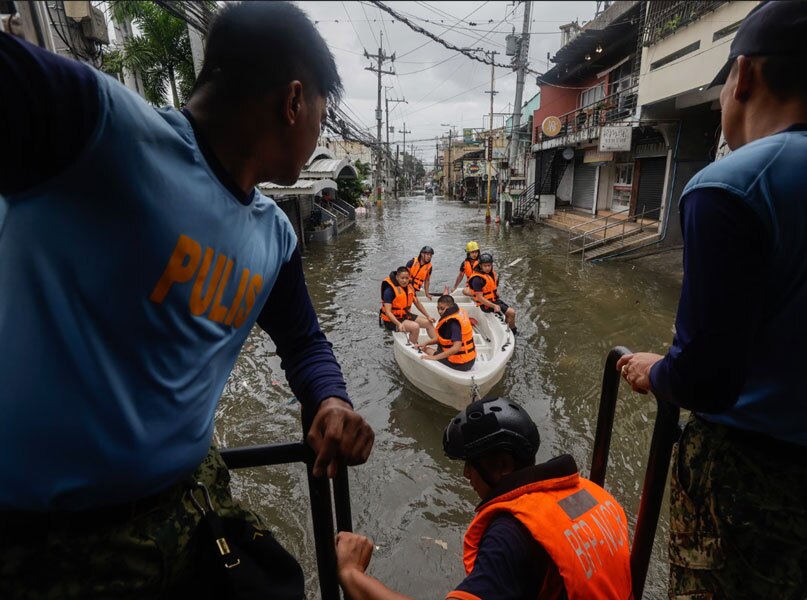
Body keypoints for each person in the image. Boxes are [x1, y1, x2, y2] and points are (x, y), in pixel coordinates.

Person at [0, 2, 374, 597]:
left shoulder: (272, 235)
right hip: (45, 543)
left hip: (190, 499)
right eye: (323, 119)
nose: (319, 137)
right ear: (294, 101)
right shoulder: (100, 128)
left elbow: (303, 341)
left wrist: (328, 399)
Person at [615, 3, 807, 598]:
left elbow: (704, 380)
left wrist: (657, 371)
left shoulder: (731, 186)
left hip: (753, 485)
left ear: (742, 77)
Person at [335, 397, 633, 599]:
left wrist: (352, 574)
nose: (466, 474)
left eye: (471, 464)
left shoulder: (513, 533)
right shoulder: (592, 493)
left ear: (503, 465)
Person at [415, 295, 477, 371]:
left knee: (425, 350)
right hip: (470, 359)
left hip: (460, 364)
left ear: (450, 307)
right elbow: (442, 339)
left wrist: (434, 357)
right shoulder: (458, 313)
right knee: (427, 346)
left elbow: (456, 348)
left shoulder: (453, 323)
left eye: (442, 309)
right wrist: (426, 342)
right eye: (438, 308)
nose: (439, 311)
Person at [380, 266, 437, 344]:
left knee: (428, 323)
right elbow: (388, 312)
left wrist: (428, 316)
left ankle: (439, 343)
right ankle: (414, 347)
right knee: (415, 327)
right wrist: (398, 324)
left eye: (407, 278)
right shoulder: (389, 291)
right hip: (392, 320)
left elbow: (417, 303)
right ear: (397, 277)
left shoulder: (410, 287)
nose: (405, 280)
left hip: (405, 315)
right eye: (402, 278)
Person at [467, 253, 517, 335]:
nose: (487, 268)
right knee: (511, 312)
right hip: (485, 305)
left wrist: (495, 292)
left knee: (509, 314)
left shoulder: (491, 274)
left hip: (494, 300)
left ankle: (508, 331)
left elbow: (492, 287)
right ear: (480, 266)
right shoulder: (477, 279)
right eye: (485, 266)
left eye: (489, 265)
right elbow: (480, 298)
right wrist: (494, 306)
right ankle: (513, 333)